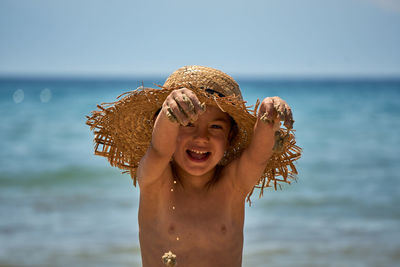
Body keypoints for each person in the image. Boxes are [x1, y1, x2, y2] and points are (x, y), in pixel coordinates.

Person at [86, 65, 301, 267]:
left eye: (216, 127)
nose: (201, 137)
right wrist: (170, 112)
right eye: (187, 123)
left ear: (230, 137)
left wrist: (268, 114)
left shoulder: (233, 185)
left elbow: (258, 156)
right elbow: (160, 149)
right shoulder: (156, 181)